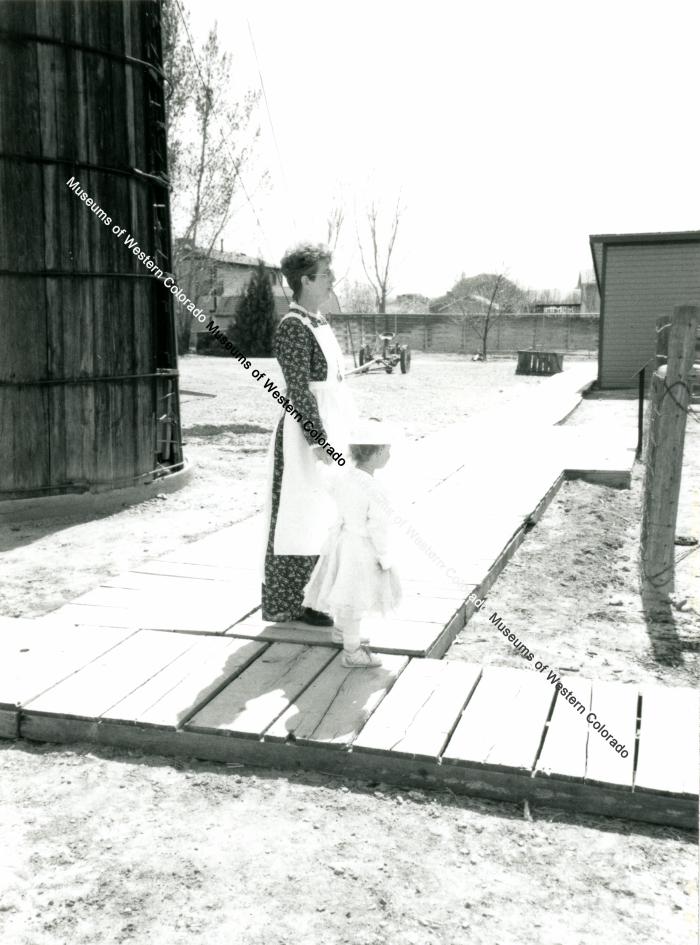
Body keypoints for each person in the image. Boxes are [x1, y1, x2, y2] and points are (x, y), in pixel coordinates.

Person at [261, 243, 356, 626]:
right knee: (301, 513)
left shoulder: (320, 323)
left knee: (330, 511)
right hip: (306, 436)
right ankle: (298, 601)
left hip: (333, 422)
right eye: (325, 273)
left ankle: (324, 594)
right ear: (305, 280)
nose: (332, 278)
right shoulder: (293, 327)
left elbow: (334, 383)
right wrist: (317, 440)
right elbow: (299, 390)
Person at [303, 420, 402, 668]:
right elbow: (378, 527)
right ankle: (352, 651)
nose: (389, 455)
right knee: (355, 598)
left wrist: (318, 458)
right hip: (361, 549)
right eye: (387, 450)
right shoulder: (375, 488)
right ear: (377, 453)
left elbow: (326, 477)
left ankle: (341, 631)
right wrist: (384, 556)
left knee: (342, 587)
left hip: (341, 542)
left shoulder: (344, 477)